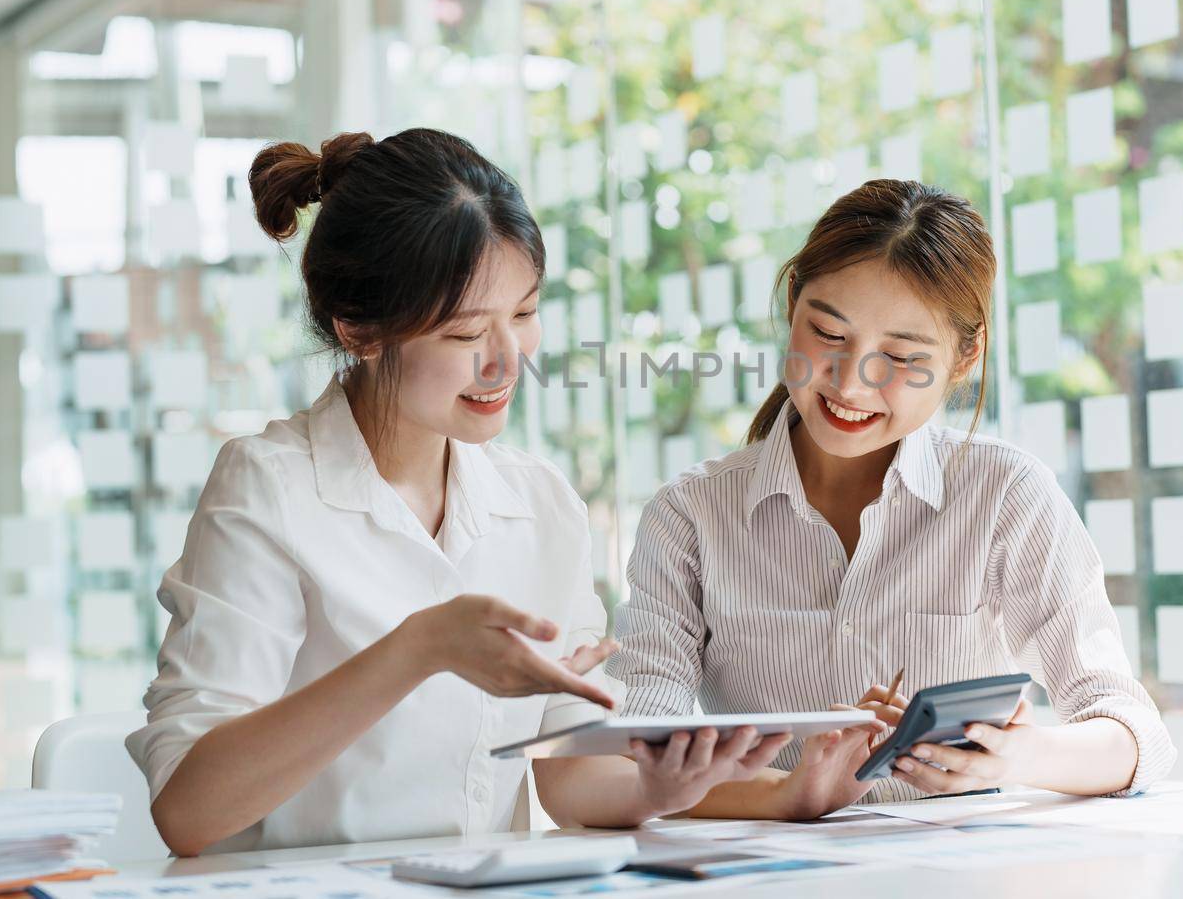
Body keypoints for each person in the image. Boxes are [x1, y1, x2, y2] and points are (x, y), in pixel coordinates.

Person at [129, 129, 773, 856]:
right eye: (468, 330)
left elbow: (568, 777)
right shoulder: (267, 489)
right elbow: (188, 811)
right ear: (360, 329)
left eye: (524, 314)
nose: (507, 360)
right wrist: (420, 647)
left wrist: (666, 787)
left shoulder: (538, 501)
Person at [535, 179, 1175, 828]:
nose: (850, 381)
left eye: (900, 355)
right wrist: (788, 794)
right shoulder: (692, 515)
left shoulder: (1005, 495)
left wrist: (1018, 755)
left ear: (965, 355)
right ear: (793, 305)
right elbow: (645, 758)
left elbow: (1133, 734)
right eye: (828, 334)